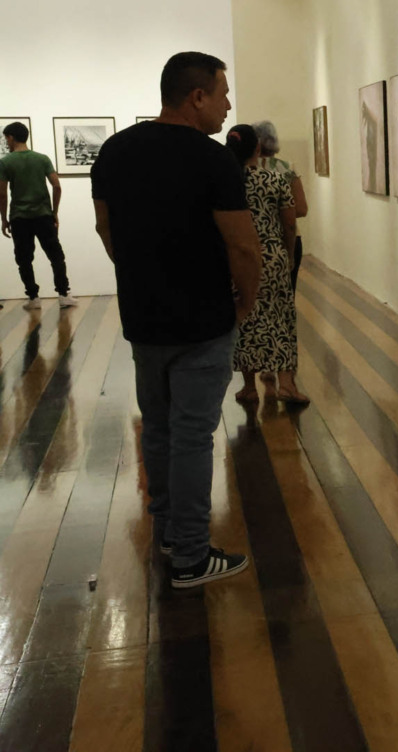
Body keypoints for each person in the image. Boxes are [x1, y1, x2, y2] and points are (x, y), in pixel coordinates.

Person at [91, 51, 260, 589]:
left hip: (144, 319)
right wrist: (247, 302)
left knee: (159, 428)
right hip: (202, 320)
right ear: (197, 97)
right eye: (224, 92)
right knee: (191, 434)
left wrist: (139, 273)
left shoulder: (114, 152)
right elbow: (243, 245)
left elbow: (104, 228)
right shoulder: (214, 161)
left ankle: (168, 532)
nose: (228, 104)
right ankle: (189, 555)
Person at [228, 124, 306, 405]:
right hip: (271, 257)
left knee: (245, 319)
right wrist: (288, 255)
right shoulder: (275, 180)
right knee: (281, 318)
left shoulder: (228, 183)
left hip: (238, 258)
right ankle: (286, 384)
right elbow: (289, 222)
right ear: (258, 148)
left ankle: (249, 387)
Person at [0, 122, 75, 310]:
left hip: (19, 218)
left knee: (24, 259)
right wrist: (54, 212)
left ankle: (33, 298)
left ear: (10, 137)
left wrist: (3, 219)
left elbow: (2, 194)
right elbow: (57, 186)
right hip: (43, 216)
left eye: (6, 138)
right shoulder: (42, 159)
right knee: (56, 256)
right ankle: (64, 294)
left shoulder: (5, 162)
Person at [253, 121, 308, 290]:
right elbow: (301, 209)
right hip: (287, 239)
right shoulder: (286, 168)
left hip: (255, 240)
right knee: (286, 295)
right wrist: (281, 214)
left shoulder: (243, 169)